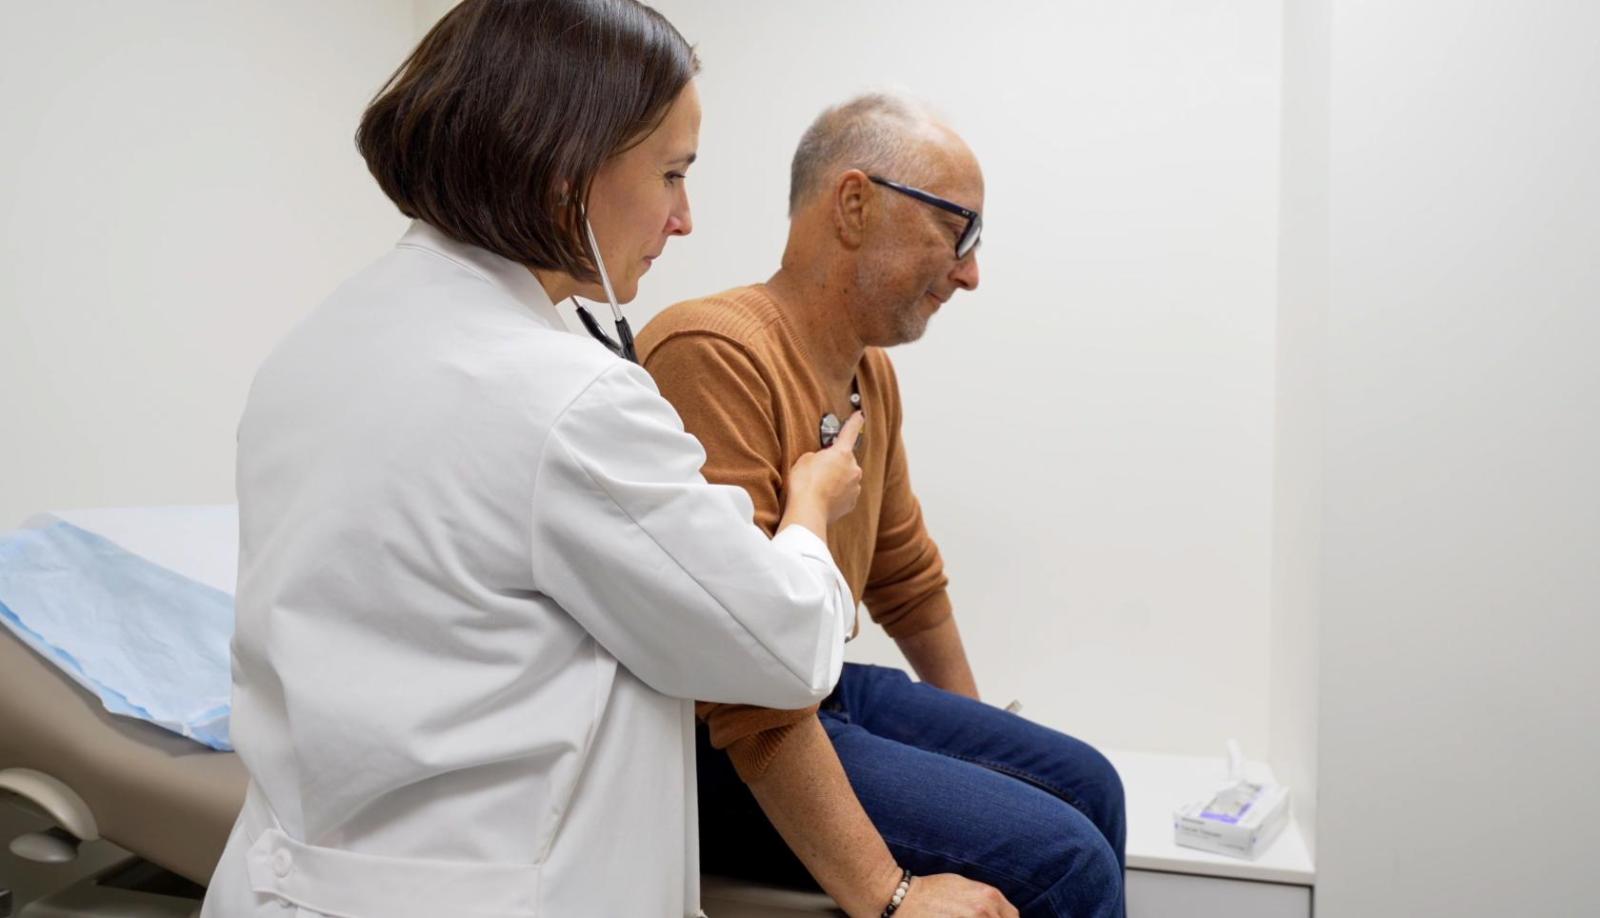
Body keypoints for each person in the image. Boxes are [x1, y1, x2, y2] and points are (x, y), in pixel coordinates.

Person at [200, 3, 864, 916]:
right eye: (671, 174)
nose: (684, 219)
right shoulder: (564, 399)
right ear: (564, 177)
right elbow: (780, 648)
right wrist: (809, 512)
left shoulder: (313, 349)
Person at [637, 94, 1126, 918]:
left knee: (1091, 786)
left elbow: (904, 577)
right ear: (855, 204)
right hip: (721, 742)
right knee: (1064, 861)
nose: (969, 271)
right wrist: (888, 895)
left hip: (821, 692)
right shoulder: (712, 351)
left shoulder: (870, 374)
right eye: (958, 231)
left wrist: (978, 757)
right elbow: (743, 682)